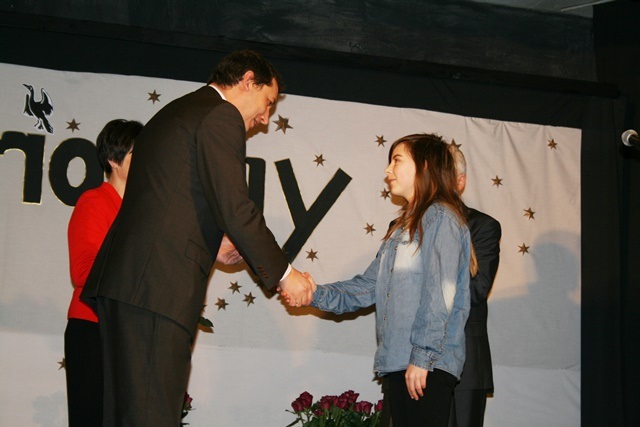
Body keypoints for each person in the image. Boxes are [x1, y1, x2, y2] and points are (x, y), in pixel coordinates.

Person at [81, 50, 314, 427]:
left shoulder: (180, 111)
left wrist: (214, 240)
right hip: (156, 288)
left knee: (128, 416)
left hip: (132, 286)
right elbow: (236, 207)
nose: (265, 118)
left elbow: (171, 197)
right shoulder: (221, 114)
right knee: (151, 416)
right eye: (268, 102)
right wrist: (287, 275)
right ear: (247, 80)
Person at [303, 133, 476, 427]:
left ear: (424, 165)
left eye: (397, 160)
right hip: (400, 362)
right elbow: (367, 287)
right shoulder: (401, 228)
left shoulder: (440, 218)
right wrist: (313, 293)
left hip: (426, 366)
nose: (387, 170)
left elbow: (440, 294)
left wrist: (422, 357)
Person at [65, 119, 142, 426]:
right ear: (113, 158)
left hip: (127, 334)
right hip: (93, 330)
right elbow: (83, 272)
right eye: (138, 153)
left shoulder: (143, 210)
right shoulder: (94, 201)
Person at [448, 147, 501, 427]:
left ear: (460, 181)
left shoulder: (482, 227)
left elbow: (476, 290)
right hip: (405, 363)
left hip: (464, 369)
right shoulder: (401, 227)